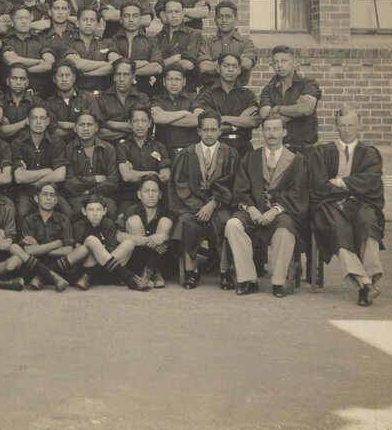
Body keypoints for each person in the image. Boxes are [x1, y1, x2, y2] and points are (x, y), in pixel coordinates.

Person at [309, 109, 385, 307]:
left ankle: (367, 280)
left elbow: (371, 183)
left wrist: (340, 183)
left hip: (360, 204)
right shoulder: (323, 151)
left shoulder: (369, 153)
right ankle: (365, 284)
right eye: (342, 125)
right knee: (339, 231)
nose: (346, 130)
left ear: (359, 125)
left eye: (351, 125)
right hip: (329, 205)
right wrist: (352, 190)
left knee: (369, 222)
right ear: (336, 127)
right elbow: (318, 185)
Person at [227, 115, 309, 298]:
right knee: (232, 225)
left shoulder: (295, 161)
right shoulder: (251, 158)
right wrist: (251, 209)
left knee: (285, 231)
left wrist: (275, 210)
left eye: (276, 129)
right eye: (268, 129)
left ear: (284, 132)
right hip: (253, 210)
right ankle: (248, 279)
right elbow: (240, 189)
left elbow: (297, 193)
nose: (271, 134)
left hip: (281, 211)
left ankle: (279, 282)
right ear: (262, 131)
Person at [169, 110, 239, 290]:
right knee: (185, 221)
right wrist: (199, 207)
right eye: (205, 130)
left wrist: (214, 202)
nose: (209, 134)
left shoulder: (230, 154)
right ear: (198, 131)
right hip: (193, 206)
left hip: (220, 204)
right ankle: (191, 271)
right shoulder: (187, 154)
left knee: (225, 221)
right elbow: (180, 184)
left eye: (213, 130)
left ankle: (225, 272)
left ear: (220, 131)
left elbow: (234, 184)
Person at [69, 197, 153, 291]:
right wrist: (98, 247)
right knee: (91, 240)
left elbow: (111, 249)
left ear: (104, 211)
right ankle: (129, 277)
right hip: (84, 270)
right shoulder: (78, 226)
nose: (95, 214)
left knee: (128, 243)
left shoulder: (109, 224)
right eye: (91, 210)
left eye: (98, 209)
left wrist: (97, 249)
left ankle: (93, 275)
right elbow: (78, 252)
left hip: (106, 268)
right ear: (84, 211)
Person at [10, 105, 70, 223]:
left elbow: (60, 175)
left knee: (67, 212)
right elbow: (19, 178)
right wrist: (47, 170)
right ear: (28, 121)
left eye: (42, 118)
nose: (38, 122)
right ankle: (25, 241)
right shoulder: (18, 143)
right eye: (34, 118)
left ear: (47, 121)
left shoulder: (57, 142)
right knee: (21, 213)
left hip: (51, 191)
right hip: (27, 192)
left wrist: (31, 178)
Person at [193, 53, 259, 158]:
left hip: (243, 147)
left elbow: (254, 121)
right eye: (226, 65)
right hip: (216, 146)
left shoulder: (247, 95)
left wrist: (222, 118)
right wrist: (238, 122)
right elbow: (208, 124)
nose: (230, 69)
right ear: (218, 68)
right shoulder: (207, 94)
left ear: (239, 70)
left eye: (234, 66)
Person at [258, 46, 322, 155]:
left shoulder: (307, 84)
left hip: (305, 150)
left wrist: (277, 108)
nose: (279, 65)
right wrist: (296, 111)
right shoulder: (269, 89)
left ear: (294, 62)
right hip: (279, 150)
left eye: (284, 61)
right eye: (275, 62)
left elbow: (306, 109)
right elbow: (265, 115)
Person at [16, 183, 77, 290]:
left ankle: (41, 277)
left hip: (59, 266)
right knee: (16, 250)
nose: (48, 198)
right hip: (34, 267)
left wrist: (39, 247)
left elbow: (68, 250)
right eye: (44, 194)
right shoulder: (28, 220)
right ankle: (49, 276)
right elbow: (28, 251)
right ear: (36, 198)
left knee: (80, 251)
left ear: (56, 200)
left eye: (52, 195)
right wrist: (56, 244)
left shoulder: (63, 220)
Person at [118, 175, 172, 288]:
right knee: (134, 221)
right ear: (139, 194)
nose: (151, 195)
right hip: (137, 262)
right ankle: (146, 271)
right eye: (146, 191)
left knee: (166, 222)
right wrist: (148, 240)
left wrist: (164, 236)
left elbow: (176, 238)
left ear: (160, 195)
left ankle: (152, 270)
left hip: (162, 264)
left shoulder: (167, 211)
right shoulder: (131, 210)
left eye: (154, 191)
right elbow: (117, 236)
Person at [65, 110, 121, 219]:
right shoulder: (68, 149)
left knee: (111, 211)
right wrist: (95, 179)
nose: (86, 129)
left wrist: (89, 191)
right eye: (81, 125)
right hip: (77, 198)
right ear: (75, 128)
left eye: (89, 125)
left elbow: (113, 182)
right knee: (75, 212)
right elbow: (68, 184)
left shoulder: (108, 149)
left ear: (96, 127)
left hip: (103, 196)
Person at [115, 106, 170, 214]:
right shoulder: (122, 147)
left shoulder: (159, 147)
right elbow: (126, 176)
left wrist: (135, 173)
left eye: (144, 121)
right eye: (135, 121)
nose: (140, 125)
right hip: (129, 197)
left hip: (154, 197)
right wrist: (153, 173)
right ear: (129, 124)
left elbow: (165, 176)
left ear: (149, 123)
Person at [198, 0, 257, 88]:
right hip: (210, 92)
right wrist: (235, 65)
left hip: (237, 91)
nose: (224, 20)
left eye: (228, 16)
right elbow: (204, 67)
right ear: (215, 19)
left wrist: (216, 65)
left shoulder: (246, 43)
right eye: (220, 16)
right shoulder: (207, 42)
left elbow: (247, 63)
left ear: (236, 18)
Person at [110, 2, 163, 96]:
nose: (131, 20)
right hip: (116, 92)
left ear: (140, 19)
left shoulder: (151, 41)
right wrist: (143, 63)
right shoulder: (112, 41)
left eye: (135, 16)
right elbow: (113, 66)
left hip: (143, 91)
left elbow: (157, 67)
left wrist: (127, 74)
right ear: (121, 19)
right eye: (126, 16)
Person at [1, 5, 55, 95]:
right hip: (12, 97)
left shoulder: (41, 40)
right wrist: (38, 62)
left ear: (31, 19)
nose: (24, 21)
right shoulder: (6, 41)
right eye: (19, 18)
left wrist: (22, 72)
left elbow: (49, 64)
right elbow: (11, 60)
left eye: (27, 18)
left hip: (39, 95)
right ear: (12, 21)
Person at [153, 0, 202, 94]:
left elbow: (189, 64)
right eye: (170, 12)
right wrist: (175, 58)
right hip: (161, 89)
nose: (174, 15)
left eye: (177, 11)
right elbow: (154, 66)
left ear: (183, 13)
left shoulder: (193, 34)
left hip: (186, 88)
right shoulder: (157, 37)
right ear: (164, 14)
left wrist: (161, 64)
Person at [96, 58, 150, 143]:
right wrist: (133, 130)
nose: (121, 79)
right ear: (114, 77)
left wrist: (111, 124)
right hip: (109, 149)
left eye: (126, 74)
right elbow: (98, 133)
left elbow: (146, 127)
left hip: (135, 148)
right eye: (118, 74)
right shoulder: (101, 99)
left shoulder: (142, 98)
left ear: (133, 77)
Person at [66, 7, 119, 95]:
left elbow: (116, 64)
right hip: (78, 95)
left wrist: (85, 73)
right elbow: (77, 65)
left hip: (104, 95)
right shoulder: (69, 44)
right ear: (77, 23)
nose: (89, 23)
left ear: (97, 24)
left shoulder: (107, 43)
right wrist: (105, 63)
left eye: (92, 20)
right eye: (85, 20)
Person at [151, 65, 199, 158]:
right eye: (170, 79)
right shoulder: (157, 99)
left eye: (178, 79)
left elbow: (199, 119)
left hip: (191, 152)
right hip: (164, 153)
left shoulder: (193, 98)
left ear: (184, 82)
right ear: (164, 82)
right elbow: (157, 117)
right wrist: (185, 113)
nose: (174, 83)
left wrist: (166, 119)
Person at [42, 60, 98, 140]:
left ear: (74, 78)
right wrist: (81, 129)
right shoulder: (48, 103)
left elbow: (95, 128)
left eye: (67, 75)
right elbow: (53, 132)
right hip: (58, 147)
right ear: (54, 79)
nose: (64, 79)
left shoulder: (88, 99)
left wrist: (63, 125)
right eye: (60, 75)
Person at [0, 63, 38, 141]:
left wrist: (10, 128)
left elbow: (38, 129)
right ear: (8, 81)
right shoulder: (0, 102)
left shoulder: (36, 102)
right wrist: (25, 123)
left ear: (27, 82)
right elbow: (0, 131)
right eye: (14, 78)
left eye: (22, 79)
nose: (18, 82)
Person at [40, 0, 78, 65]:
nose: (60, 12)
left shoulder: (77, 33)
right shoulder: (42, 36)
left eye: (64, 9)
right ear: (50, 12)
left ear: (69, 12)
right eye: (56, 8)